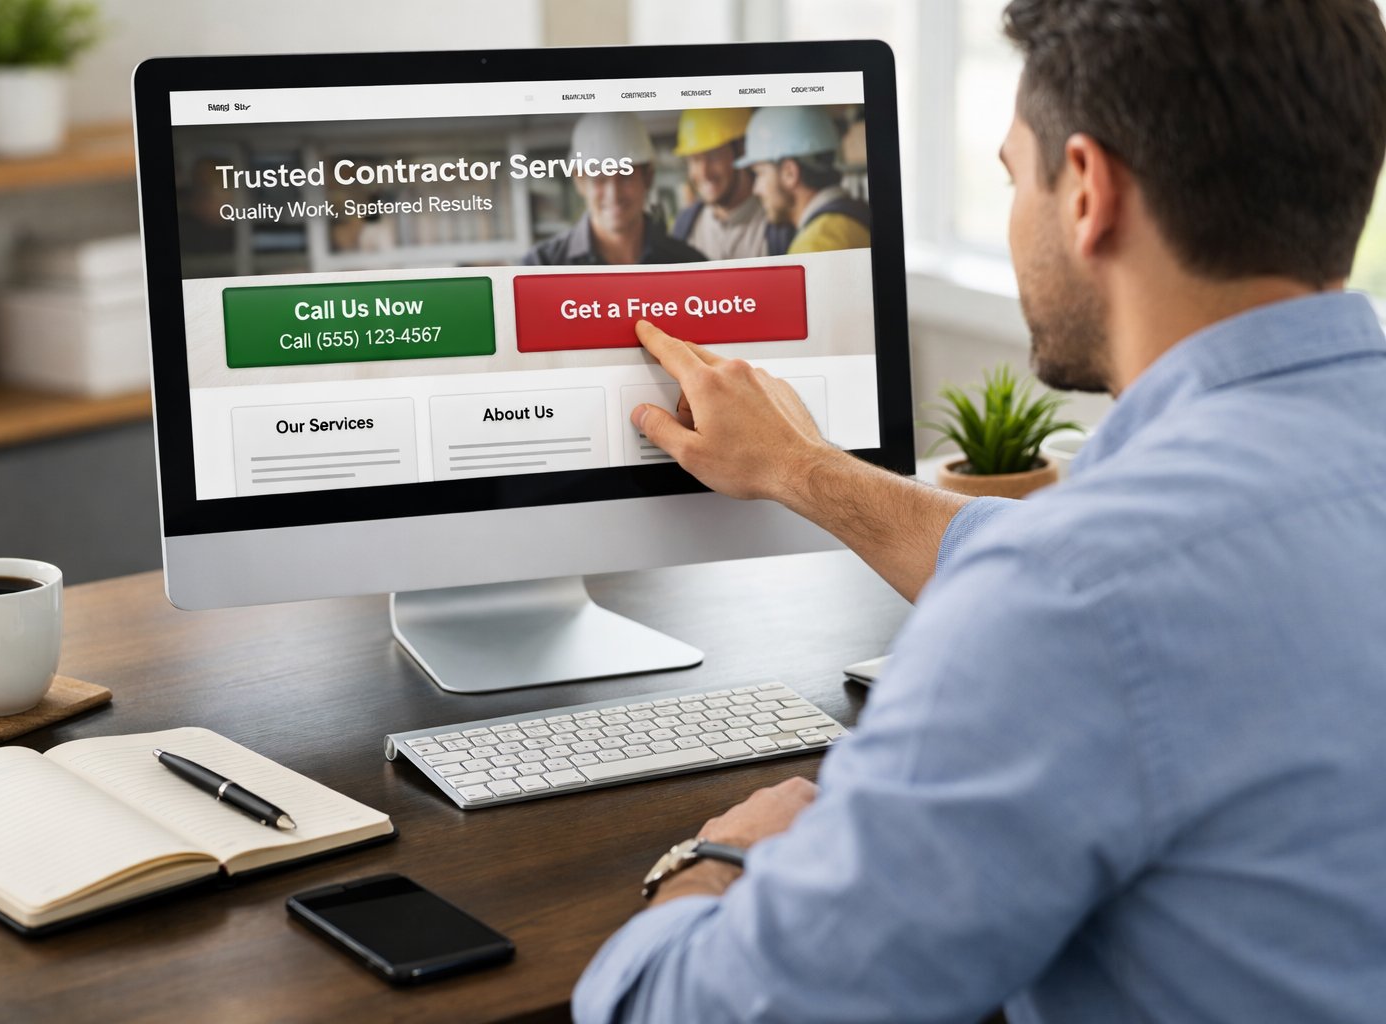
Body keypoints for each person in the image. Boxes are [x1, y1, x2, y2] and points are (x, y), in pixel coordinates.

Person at [574, 1, 1386, 1021]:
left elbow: (680, 1009)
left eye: (1014, 174)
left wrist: (721, 855)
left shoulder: (1076, 595)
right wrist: (804, 468)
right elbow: (1114, 580)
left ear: (1086, 191)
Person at [524, 111, 706, 267]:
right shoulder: (540, 266)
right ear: (580, 182)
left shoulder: (688, 265)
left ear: (647, 177)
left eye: (625, 176)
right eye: (599, 178)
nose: (614, 194)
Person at [736, 105, 871, 255]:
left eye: (759, 174)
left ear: (790, 173)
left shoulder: (815, 245)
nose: (756, 189)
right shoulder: (853, 217)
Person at [670, 108, 790, 260]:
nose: (703, 173)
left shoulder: (779, 223)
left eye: (713, 155)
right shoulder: (685, 227)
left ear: (742, 150)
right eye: (694, 160)